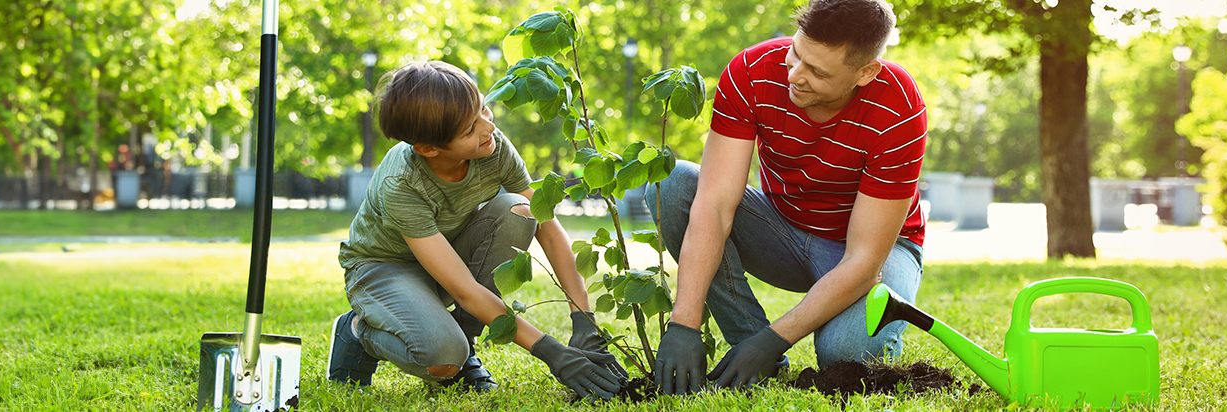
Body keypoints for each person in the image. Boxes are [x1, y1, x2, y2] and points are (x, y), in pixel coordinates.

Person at [646, 0, 928, 395]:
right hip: (784, 233)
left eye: (817, 71)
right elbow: (714, 205)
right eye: (796, 54)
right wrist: (684, 323)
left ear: (866, 72)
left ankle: (762, 348)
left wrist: (775, 337)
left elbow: (865, 261)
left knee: (846, 358)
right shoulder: (752, 71)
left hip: (876, 250)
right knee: (672, 184)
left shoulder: (897, 105)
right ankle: (751, 347)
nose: (795, 74)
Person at [329, 61, 628, 400]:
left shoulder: (493, 147)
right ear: (429, 149)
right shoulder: (402, 183)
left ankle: (465, 343)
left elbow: (547, 224)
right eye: (470, 129)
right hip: (382, 269)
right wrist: (551, 352)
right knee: (443, 359)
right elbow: (466, 289)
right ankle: (357, 331)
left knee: (521, 209)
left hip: (447, 254)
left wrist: (583, 318)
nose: (488, 126)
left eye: (483, 108)